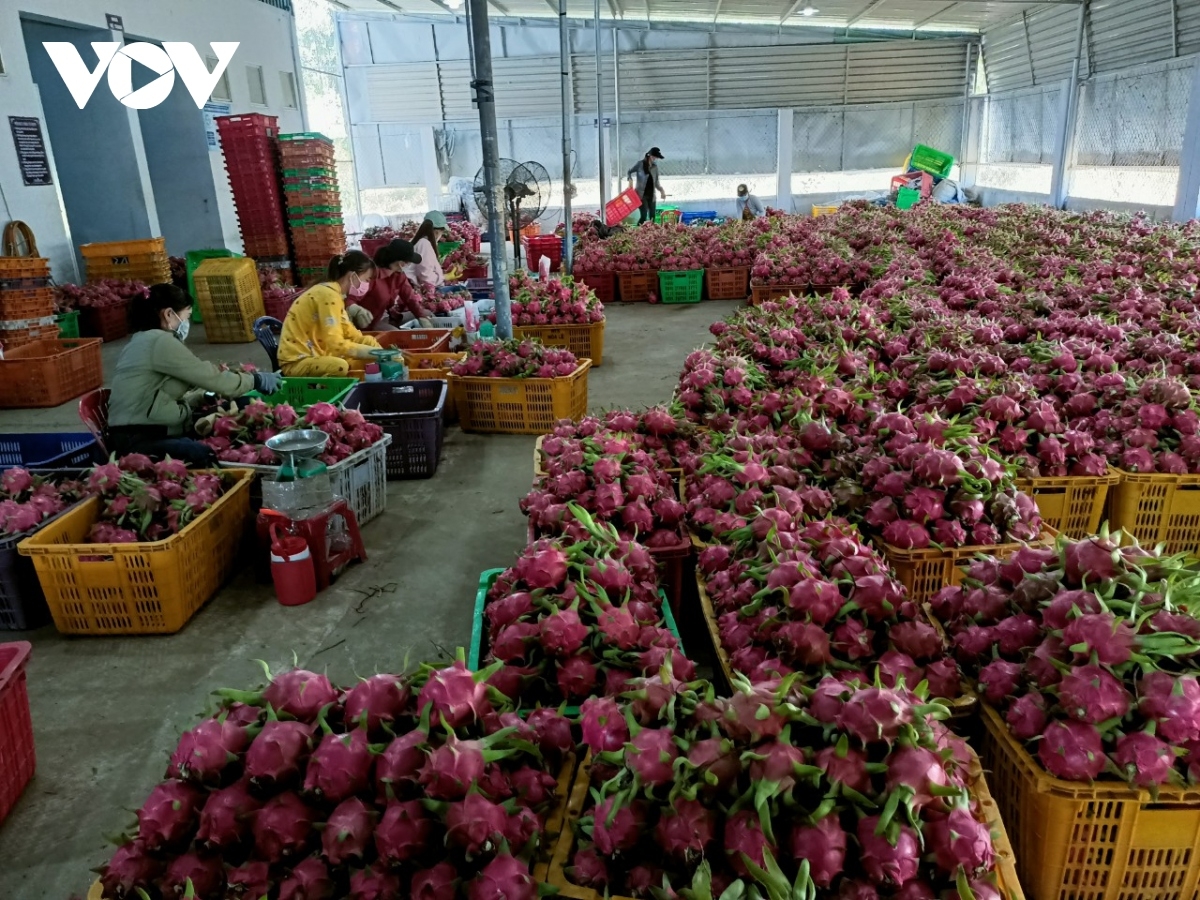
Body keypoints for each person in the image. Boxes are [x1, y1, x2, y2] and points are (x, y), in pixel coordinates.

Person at [108, 283, 281, 467]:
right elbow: (211, 377)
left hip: (159, 426)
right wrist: (256, 380)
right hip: (138, 439)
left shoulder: (144, 341)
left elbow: (162, 393)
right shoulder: (159, 343)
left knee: (243, 405)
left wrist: (201, 397)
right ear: (168, 314)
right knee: (200, 454)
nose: (186, 324)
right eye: (187, 316)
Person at [278, 252, 383, 377]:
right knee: (340, 366)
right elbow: (336, 345)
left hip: (318, 354)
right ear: (353, 275)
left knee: (368, 341)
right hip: (298, 361)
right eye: (366, 280)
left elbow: (350, 334)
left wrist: (384, 353)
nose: (367, 285)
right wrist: (375, 353)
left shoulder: (335, 295)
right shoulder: (327, 296)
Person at [359, 239, 433, 330]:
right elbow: (352, 299)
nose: (409, 265)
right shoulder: (371, 276)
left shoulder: (399, 276)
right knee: (398, 335)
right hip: (372, 322)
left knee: (428, 314)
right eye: (409, 262)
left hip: (390, 317)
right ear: (401, 263)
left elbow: (410, 298)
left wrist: (421, 317)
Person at [409, 211, 450, 288]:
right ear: (437, 232)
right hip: (416, 288)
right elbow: (426, 278)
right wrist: (445, 277)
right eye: (442, 232)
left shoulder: (421, 242)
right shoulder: (424, 244)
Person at [627, 147, 666, 226]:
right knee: (644, 216)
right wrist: (630, 179)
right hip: (641, 195)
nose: (655, 159)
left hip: (651, 195)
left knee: (652, 217)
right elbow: (629, 172)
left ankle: (651, 234)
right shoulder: (640, 164)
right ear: (649, 155)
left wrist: (662, 191)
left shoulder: (655, 167)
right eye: (654, 157)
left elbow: (656, 182)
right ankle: (638, 232)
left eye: (656, 157)